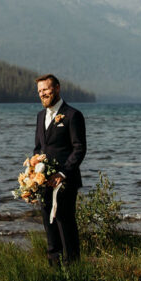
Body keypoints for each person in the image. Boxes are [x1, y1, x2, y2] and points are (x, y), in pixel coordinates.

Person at [33, 73, 86, 265]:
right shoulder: (40, 117)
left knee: (66, 227)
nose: (42, 94)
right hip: (44, 182)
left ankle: (74, 270)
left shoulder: (73, 115)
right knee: (50, 228)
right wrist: (34, 168)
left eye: (45, 90)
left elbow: (79, 149)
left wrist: (62, 173)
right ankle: (55, 271)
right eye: (39, 91)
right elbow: (39, 148)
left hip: (66, 182)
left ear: (56, 88)